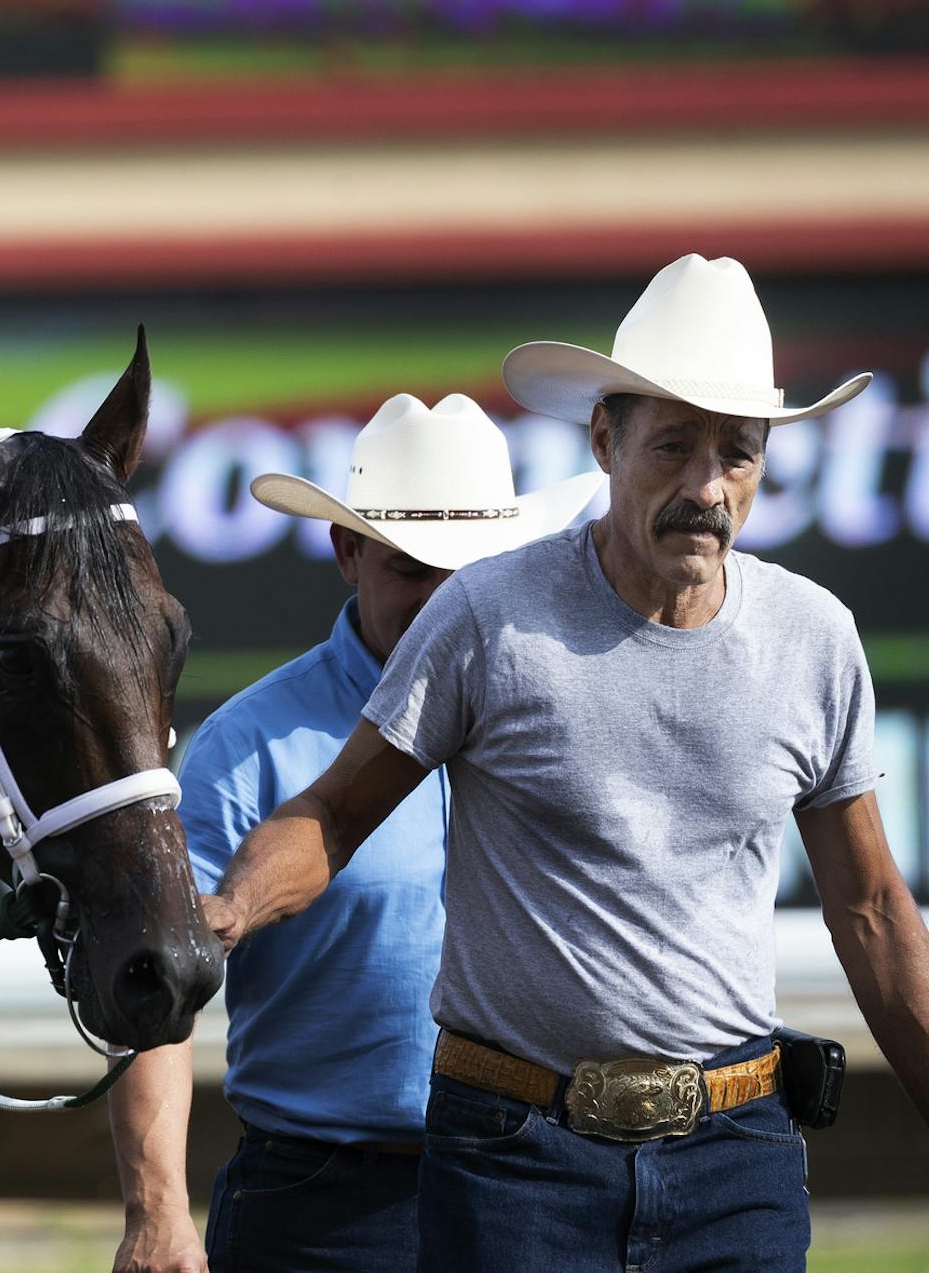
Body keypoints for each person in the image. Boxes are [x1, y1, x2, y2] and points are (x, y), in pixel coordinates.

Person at [201, 254, 929, 1272]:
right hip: (515, 1164)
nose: (706, 487)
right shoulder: (486, 616)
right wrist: (224, 912)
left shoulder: (815, 639)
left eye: (739, 453)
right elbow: (333, 812)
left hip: (738, 1155)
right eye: (674, 444)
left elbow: (872, 909)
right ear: (604, 439)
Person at [110, 394, 601, 1273]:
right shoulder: (249, 744)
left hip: (541, 1182)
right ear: (349, 553)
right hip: (321, 1209)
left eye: (473, 569)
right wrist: (156, 1213)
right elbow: (160, 992)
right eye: (414, 569)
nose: (445, 600)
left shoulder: (567, 716)